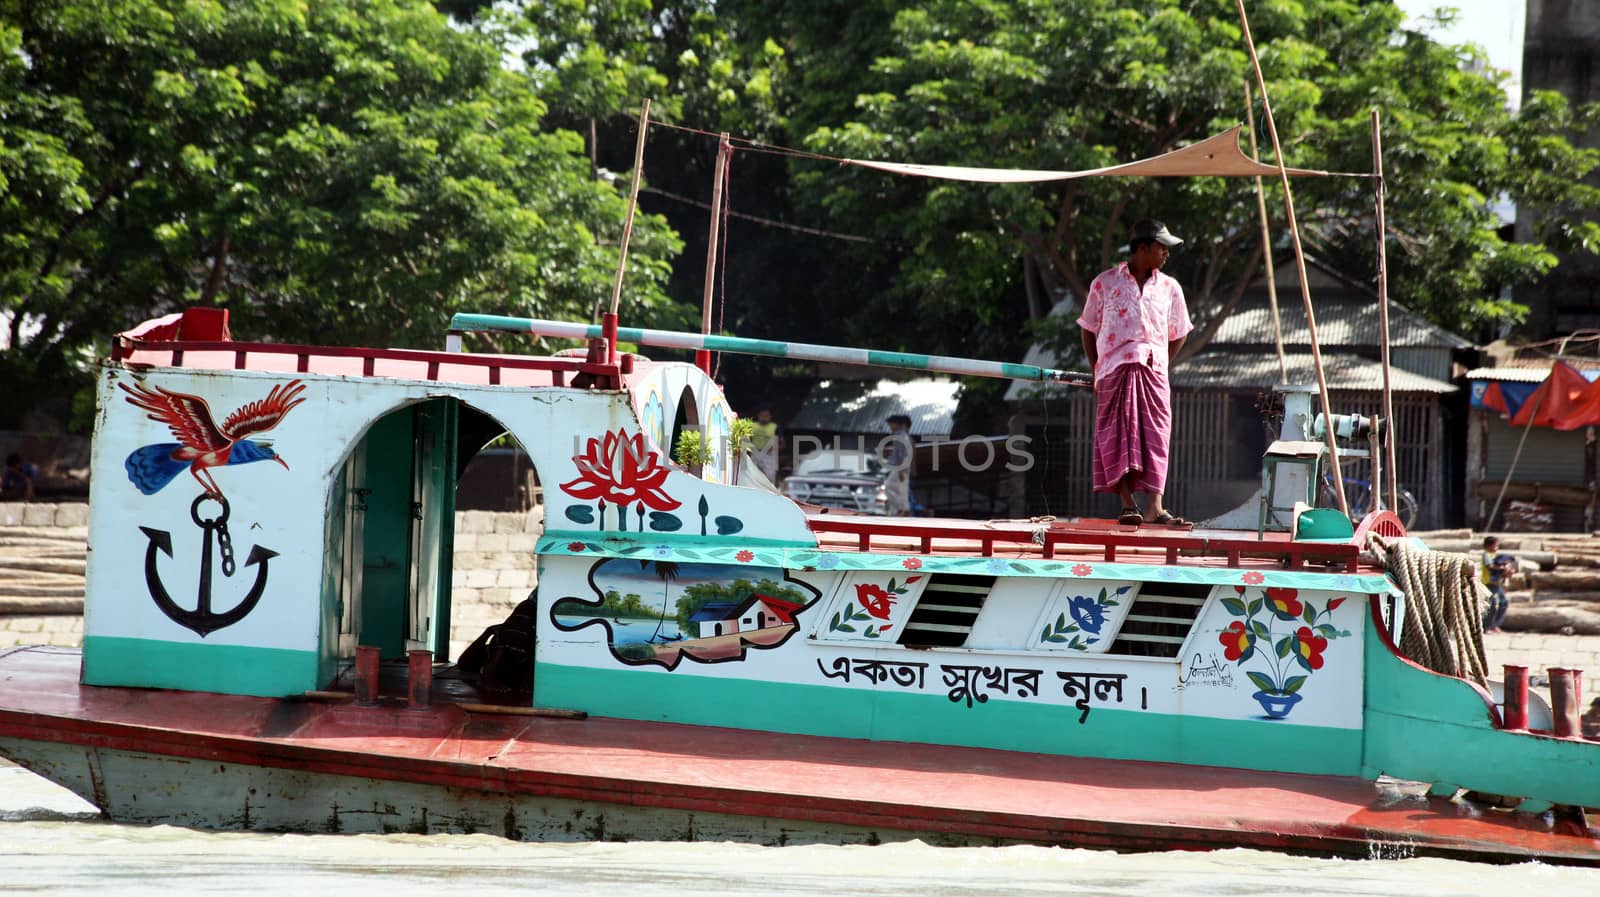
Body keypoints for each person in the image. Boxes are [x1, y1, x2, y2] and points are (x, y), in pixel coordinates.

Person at [1077, 218, 1193, 527]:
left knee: (1156, 436)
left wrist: (1163, 360)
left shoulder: (1170, 288)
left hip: (1154, 369)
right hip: (1114, 368)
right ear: (1143, 249)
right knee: (1117, 436)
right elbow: (1088, 328)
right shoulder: (1104, 283)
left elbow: (1179, 330)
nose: (1167, 254)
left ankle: (1156, 506)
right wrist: (1096, 368)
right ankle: (1128, 503)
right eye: (1161, 248)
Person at [1480, 535, 1515, 632]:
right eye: (1495, 546)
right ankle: (1485, 627)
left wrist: (1506, 571)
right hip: (1488, 584)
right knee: (1492, 604)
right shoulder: (1486, 555)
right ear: (1488, 546)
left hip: (1496, 584)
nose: (1497, 548)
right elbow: (1490, 567)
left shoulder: (1495, 556)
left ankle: (1495, 625)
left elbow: (1500, 566)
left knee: (1504, 602)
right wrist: (1504, 569)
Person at [881, 414, 913, 516]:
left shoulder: (900, 436)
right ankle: (898, 511)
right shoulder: (904, 436)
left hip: (900, 467)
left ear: (897, 424)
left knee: (888, 487)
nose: (890, 427)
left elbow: (901, 454)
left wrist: (900, 470)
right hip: (903, 466)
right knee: (901, 490)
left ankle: (903, 508)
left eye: (891, 424)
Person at [748, 407, 780, 482]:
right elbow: (748, 438)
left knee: (770, 476)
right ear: (758, 416)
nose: (764, 418)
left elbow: (780, 442)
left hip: (768, 455)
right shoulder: (752, 426)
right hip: (755, 453)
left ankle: (770, 492)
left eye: (766, 416)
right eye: (762, 415)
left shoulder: (774, 427)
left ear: (770, 416)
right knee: (753, 475)